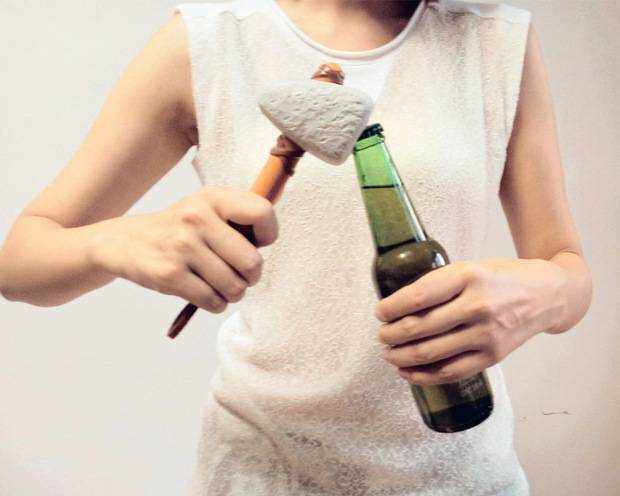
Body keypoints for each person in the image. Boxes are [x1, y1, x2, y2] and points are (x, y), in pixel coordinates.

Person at [0, 0, 593, 494]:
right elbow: (20, 264)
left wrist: (543, 291)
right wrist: (117, 239)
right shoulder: (209, 40)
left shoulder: (496, 40)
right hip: (262, 471)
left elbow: (567, 267)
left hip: (462, 474)